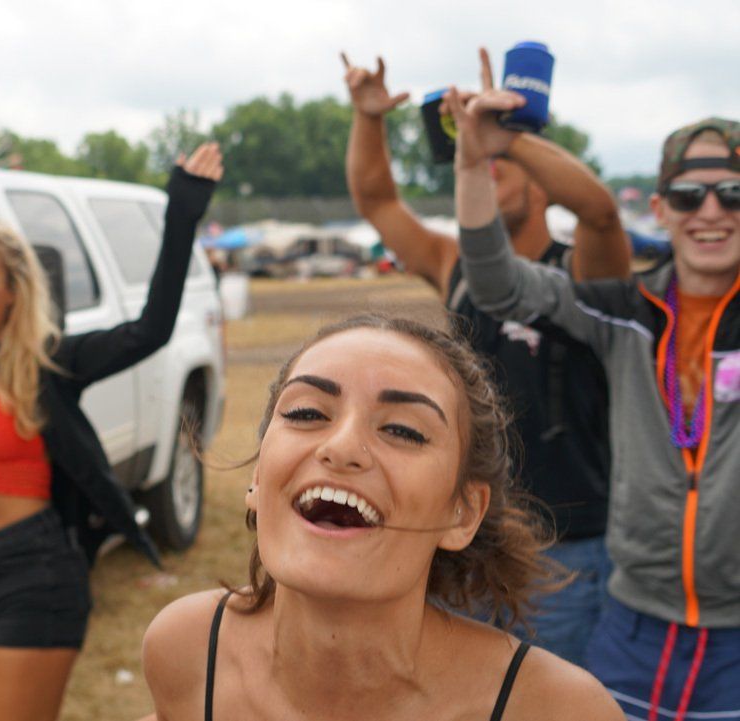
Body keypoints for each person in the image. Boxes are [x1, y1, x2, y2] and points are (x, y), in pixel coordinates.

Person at [0, 85, 223, 721]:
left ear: (12, 293)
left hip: (38, 572)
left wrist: (182, 215)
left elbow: (151, 330)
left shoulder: (51, 363)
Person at [143, 313, 623, 721]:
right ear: (257, 479)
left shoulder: (554, 709)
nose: (342, 447)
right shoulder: (186, 649)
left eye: (402, 430)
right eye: (307, 413)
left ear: (463, 513)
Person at [449, 72, 740, 718]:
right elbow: (496, 285)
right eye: (690, 195)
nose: (712, 212)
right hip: (630, 625)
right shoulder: (624, 314)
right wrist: (476, 158)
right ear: (661, 209)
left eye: (733, 195)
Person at [341, 50, 631, 666]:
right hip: (469, 532)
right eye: (479, 166)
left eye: (504, 165)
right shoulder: (457, 265)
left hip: (570, 548)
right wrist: (369, 119)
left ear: (538, 176)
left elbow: (600, 211)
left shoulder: (584, 272)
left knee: (558, 700)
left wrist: (508, 138)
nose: (487, 172)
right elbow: (377, 201)